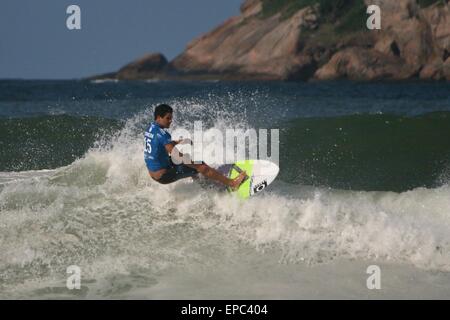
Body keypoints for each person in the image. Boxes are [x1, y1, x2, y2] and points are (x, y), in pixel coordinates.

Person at [144, 104, 247, 190]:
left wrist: (179, 142)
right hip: (164, 175)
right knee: (200, 165)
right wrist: (198, 165)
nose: (171, 121)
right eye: (168, 118)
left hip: (154, 172)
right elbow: (176, 156)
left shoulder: (150, 128)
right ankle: (232, 183)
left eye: (171, 118)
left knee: (192, 166)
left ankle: (208, 185)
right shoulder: (163, 134)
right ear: (158, 117)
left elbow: (159, 144)